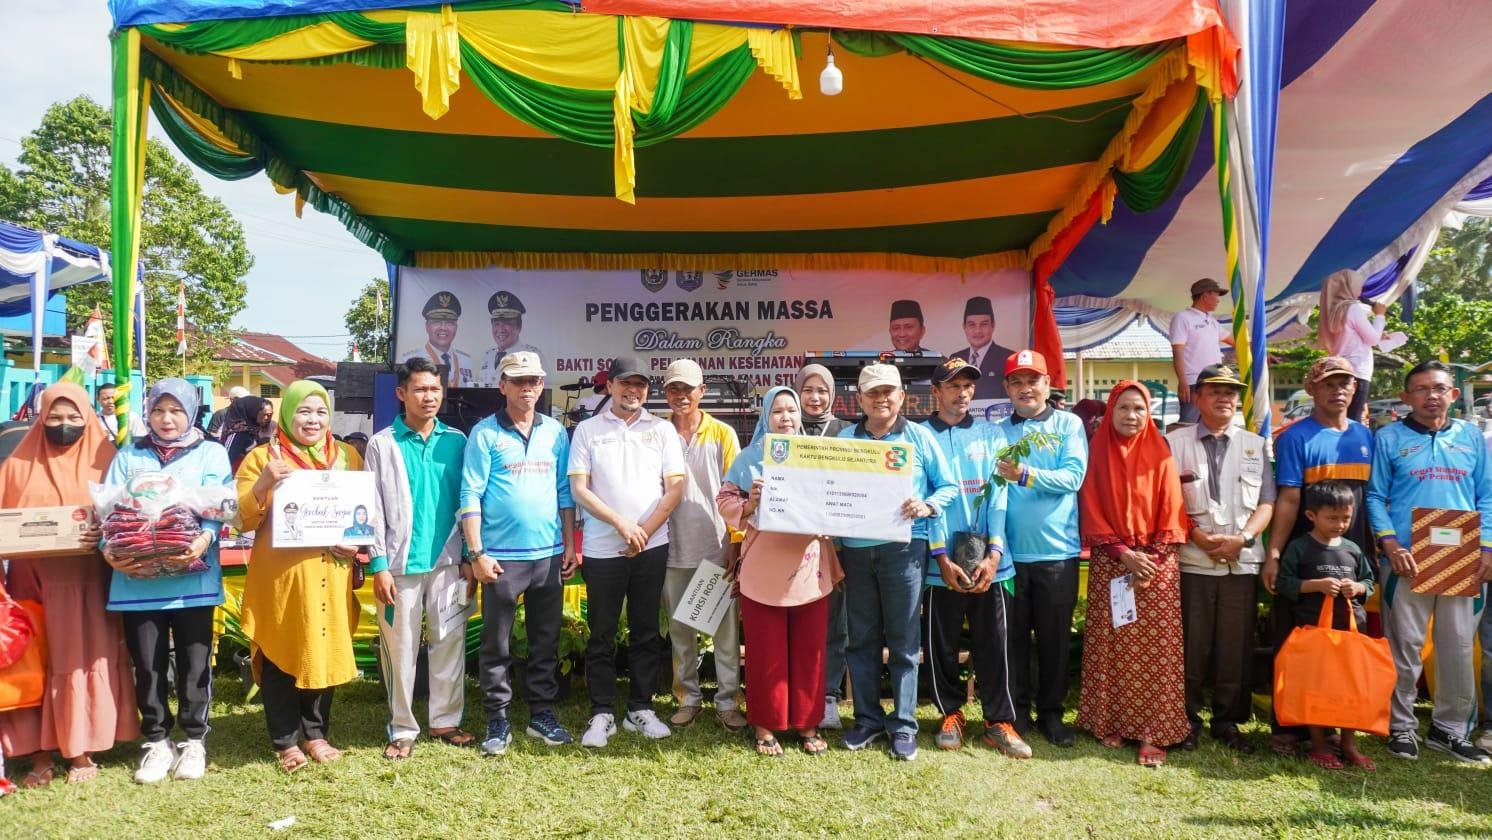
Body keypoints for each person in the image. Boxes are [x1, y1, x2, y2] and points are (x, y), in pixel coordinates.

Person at [0, 382, 136, 787]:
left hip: (86, 582)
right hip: (32, 584)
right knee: (38, 662)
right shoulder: (17, 464)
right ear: (41, 419)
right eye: (55, 417)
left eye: (74, 417)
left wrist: (104, 535)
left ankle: (81, 749)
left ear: (88, 418)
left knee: (80, 656)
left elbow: (128, 516)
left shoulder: (107, 461)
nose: (64, 425)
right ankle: (38, 752)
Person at [100, 379, 230, 784]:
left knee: (194, 664)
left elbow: (221, 504)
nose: (167, 419)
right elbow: (108, 510)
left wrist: (205, 537)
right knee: (148, 667)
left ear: (191, 412)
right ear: (149, 412)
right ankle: (157, 741)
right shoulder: (129, 455)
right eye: (159, 410)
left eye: (176, 410)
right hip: (137, 581)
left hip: (193, 581)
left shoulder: (211, 452)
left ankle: (194, 740)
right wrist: (110, 549)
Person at [1367, 360, 1492, 764]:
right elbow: (1374, 496)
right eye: (1421, 389)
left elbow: (1487, 497)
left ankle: (1450, 729)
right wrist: (1389, 543)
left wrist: (1487, 548)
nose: (1431, 396)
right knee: (1405, 646)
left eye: (1439, 388)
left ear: (1453, 394)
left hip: (1463, 560)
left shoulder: (1473, 438)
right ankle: (1401, 727)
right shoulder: (1388, 438)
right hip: (1407, 559)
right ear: (1406, 397)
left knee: (1456, 646)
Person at [236, 380, 364, 773]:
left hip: (331, 572)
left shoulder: (347, 457)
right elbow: (240, 517)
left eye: (320, 411)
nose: (312, 419)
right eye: (304, 411)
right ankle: (285, 741)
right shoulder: (262, 458)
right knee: (281, 652)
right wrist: (265, 482)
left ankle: (317, 733)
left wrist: (355, 546)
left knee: (321, 650)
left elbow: (361, 515)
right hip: (284, 577)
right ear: (288, 414)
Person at [837, 363, 957, 761]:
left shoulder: (920, 437)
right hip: (855, 549)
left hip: (904, 550)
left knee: (905, 641)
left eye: (889, 391)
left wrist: (927, 505)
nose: (881, 398)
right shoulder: (844, 439)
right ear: (860, 399)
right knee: (862, 638)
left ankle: (904, 725)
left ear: (902, 396)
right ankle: (867, 720)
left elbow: (949, 486)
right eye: (872, 392)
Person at [462, 352, 579, 755]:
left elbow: (565, 493)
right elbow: (470, 493)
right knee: (497, 644)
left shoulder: (555, 433)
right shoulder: (484, 433)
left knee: (545, 640)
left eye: (532, 381)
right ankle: (497, 719)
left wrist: (568, 544)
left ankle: (541, 715)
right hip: (500, 558)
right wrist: (476, 552)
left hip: (547, 555)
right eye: (517, 381)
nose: (526, 387)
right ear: (502, 386)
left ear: (542, 385)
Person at [1262, 355, 1377, 756]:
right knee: (1296, 643)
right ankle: (1287, 726)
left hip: (1351, 554)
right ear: (1311, 389)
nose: (1338, 390)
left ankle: (1335, 725)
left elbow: (1371, 498)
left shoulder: (1365, 435)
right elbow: (1290, 497)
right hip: (1305, 557)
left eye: (1345, 383)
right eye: (1329, 383)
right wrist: (1275, 551)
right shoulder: (1295, 437)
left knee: (1343, 647)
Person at [568, 356, 686, 747]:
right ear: (610, 387)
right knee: (601, 633)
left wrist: (644, 532)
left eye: (640, 385)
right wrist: (623, 526)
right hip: (604, 548)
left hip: (651, 547)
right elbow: (579, 490)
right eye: (625, 383)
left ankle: (640, 707)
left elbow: (675, 489)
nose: (632, 391)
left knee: (646, 631)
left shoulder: (663, 430)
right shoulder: (587, 430)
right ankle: (601, 712)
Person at [718, 387, 842, 756]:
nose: (785, 418)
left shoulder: (820, 456)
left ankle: (807, 723)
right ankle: (765, 724)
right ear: (765, 418)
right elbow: (724, 500)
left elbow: (839, 498)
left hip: (808, 568)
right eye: (777, 412)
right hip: (763, 568)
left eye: (791, 410)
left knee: (809, 649)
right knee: (765, 650)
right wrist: (749, 502)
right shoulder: (749, 459)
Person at [366, 357, 475, 760]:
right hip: (399, 566)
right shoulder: (382, 444)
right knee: (400, 648)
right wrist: (378, 564)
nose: (428, 397)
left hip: (448, 563)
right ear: (401, 394)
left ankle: (445, 719)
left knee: (450, 640)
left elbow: (468, 504)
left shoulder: (457, 441)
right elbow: (372, 509)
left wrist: (467, 554)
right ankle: (402, 727)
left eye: (434, 389)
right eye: (419, 389)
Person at [1076, 381, 1190, 766]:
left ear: (1149, 413)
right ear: (1111, 412)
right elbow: (1090, 506)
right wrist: (1124, 554)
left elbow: (1172, 508)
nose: (1131, 416)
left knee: (1156, 650)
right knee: (1112, 645)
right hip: (1112, 560)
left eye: (1139, 409)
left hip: (1158, 562)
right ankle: (1111, 720)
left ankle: (1153, 731)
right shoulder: (1096, 452)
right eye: (1123, 408)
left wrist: (1151, 559)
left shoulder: (1160, 452)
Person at [920, 359, 1028, 758]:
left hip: (988, 563)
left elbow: (998, 498)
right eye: (953, 386)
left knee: (995, 644)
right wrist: (940, 555)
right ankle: (951, 713)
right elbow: (925, 499)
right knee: (940, 645)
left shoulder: (991, 434)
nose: (962, 393)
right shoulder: (918, 436)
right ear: (936, 392)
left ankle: (999, 721)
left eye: (968, 385)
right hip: (938, 563)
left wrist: (995, 553)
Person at [1164, 364, 1275, 754]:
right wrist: (1196, 534)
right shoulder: (1174, 443)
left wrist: (1243, 538)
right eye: (1215, 391)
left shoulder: (1254, 444)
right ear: (1197, 398)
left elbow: (1267, 502)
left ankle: (1228, 722)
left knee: (1235, 646)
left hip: (1240, 560)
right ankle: (1187, 719)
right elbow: (1169, 501)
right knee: (1191, 645)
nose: (1225, 398)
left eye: (1231, 391)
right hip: (1193, 558)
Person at [996, 349, 1089, 747]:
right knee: (1012, 639)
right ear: (1006, 388)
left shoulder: (1068, 424)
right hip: (1010, 559)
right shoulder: (997, 431)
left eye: (1032, 380)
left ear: (1047, 385)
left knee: (1053, 640)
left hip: (1055, 555)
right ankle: (1017, 713)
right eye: (1016, 381)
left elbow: (1073, 476)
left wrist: (1026, 475)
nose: (1025, 389)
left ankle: (1052, 714)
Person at [660, 359, 746, 731]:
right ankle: (688, 698)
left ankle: (727, 701)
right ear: (666, 393)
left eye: (688, 389)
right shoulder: (657, 433)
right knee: (681, 629)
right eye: (674, 389)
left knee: (724, 632)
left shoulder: (723, 433)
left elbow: (737, 493)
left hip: (716, 547)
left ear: (702, 392)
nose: (681, 396)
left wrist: (736, 543)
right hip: (671, 547)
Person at [1276, 480, 1379, 771]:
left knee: (1351, 688)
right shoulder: (1300, 548)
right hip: (1312, 633)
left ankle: (1349, 743)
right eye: (1332, 518)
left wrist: (1357, 588)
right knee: (1314, 687)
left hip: (1349, 632)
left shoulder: (1353, 549)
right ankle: (1318, 743)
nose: (1340, 524)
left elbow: (1370, 583)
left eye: (1346, 518)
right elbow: (1285, 583)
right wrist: (1315, 585)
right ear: (1311, 516)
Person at [795, 363, 849, 727]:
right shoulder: (785, 428)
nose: (815, 398)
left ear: (832, 395)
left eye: (822, 391)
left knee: (834, 621)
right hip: (793, 545)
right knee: (797, 619)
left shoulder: (847, 432)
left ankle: (828, 695)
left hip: (836, 545)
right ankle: (798, 692)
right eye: (808, 390)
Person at [1317, 269, 1387, 424]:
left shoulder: (1331, 310)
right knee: (1351, 421)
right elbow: (1373, 339)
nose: (1360, 289)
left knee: (1341, 420)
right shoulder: (1352, 308)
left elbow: (1350, 336)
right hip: (1358, 371)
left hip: (1339, 369)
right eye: (1358, 285)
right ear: (1349, 286)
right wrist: (1380, 315)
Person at [1169, 278, 1234, 424]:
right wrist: (1183, 381)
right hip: (1194, 382)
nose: (1218, 300)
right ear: (1205, 295)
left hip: (1215, 381)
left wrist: (1262, 351)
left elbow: (1237, 342)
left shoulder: (1211, 321)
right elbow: (1177, 351)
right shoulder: (1182, 318)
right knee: (1188, 426)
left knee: (1211, 425)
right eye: (1216, 295)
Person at [400, 291, 475, 387]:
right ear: (427, 326)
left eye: (449, 322)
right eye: (437, 322)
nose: (443, 327)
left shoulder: (466, 361)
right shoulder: (409, 360)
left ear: (456, 327)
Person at [948, 296, 1015, 401]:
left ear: (993, 326)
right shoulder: (956, 358)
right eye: (972, 325)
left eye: (984, 324)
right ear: (964, 327)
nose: (977, 331)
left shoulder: (1008, 357)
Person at [478, 291, 542, 387]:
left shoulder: (533, 356)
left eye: (507, 323)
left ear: (519, 327)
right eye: (497, 324)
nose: (501, 330)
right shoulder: (487, 357)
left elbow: (543, 393)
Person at [221, 395, 274, 472]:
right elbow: (225, 463)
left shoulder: (253, 432)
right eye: (264, 414)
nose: (267, 418)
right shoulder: (237, 435)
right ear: (253, 412)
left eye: (270, 415)